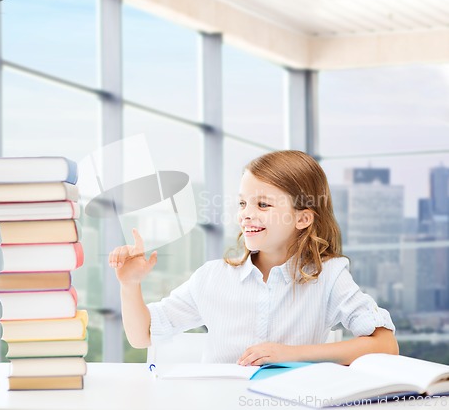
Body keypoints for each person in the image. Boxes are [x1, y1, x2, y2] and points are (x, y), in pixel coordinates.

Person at [108, 150, 398, 365]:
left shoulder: (329, 276)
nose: (246, 213)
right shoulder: (212, 277)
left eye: (263, 204)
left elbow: (386, 345)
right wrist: (129, 285)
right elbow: (142, 335)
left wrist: (292, 355)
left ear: (303, 218)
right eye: (243, 203)